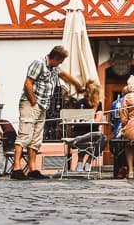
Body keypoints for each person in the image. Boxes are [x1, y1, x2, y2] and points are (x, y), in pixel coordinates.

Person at [11, 46, 83, 180]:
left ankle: (32, 169)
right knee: (25, 135)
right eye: (60, 61)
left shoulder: (54, 68)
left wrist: (78, 84)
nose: (60, 64)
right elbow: (28, 83)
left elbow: (64, 75)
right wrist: (33, 101)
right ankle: (16, 168)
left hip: (43, 106)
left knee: (36, 138)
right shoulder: (39, 63)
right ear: (54, 58)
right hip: (30, 103)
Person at [68, 80, 108, 172]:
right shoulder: (80, 103)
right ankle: (80, 162)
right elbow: (77, 120)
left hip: (92, 134)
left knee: (103, 139)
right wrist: (93, 112)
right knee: (84, 136)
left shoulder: (99, 104)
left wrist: (95, 108)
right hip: (79, 134)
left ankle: (89, 161)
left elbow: (97, 120)